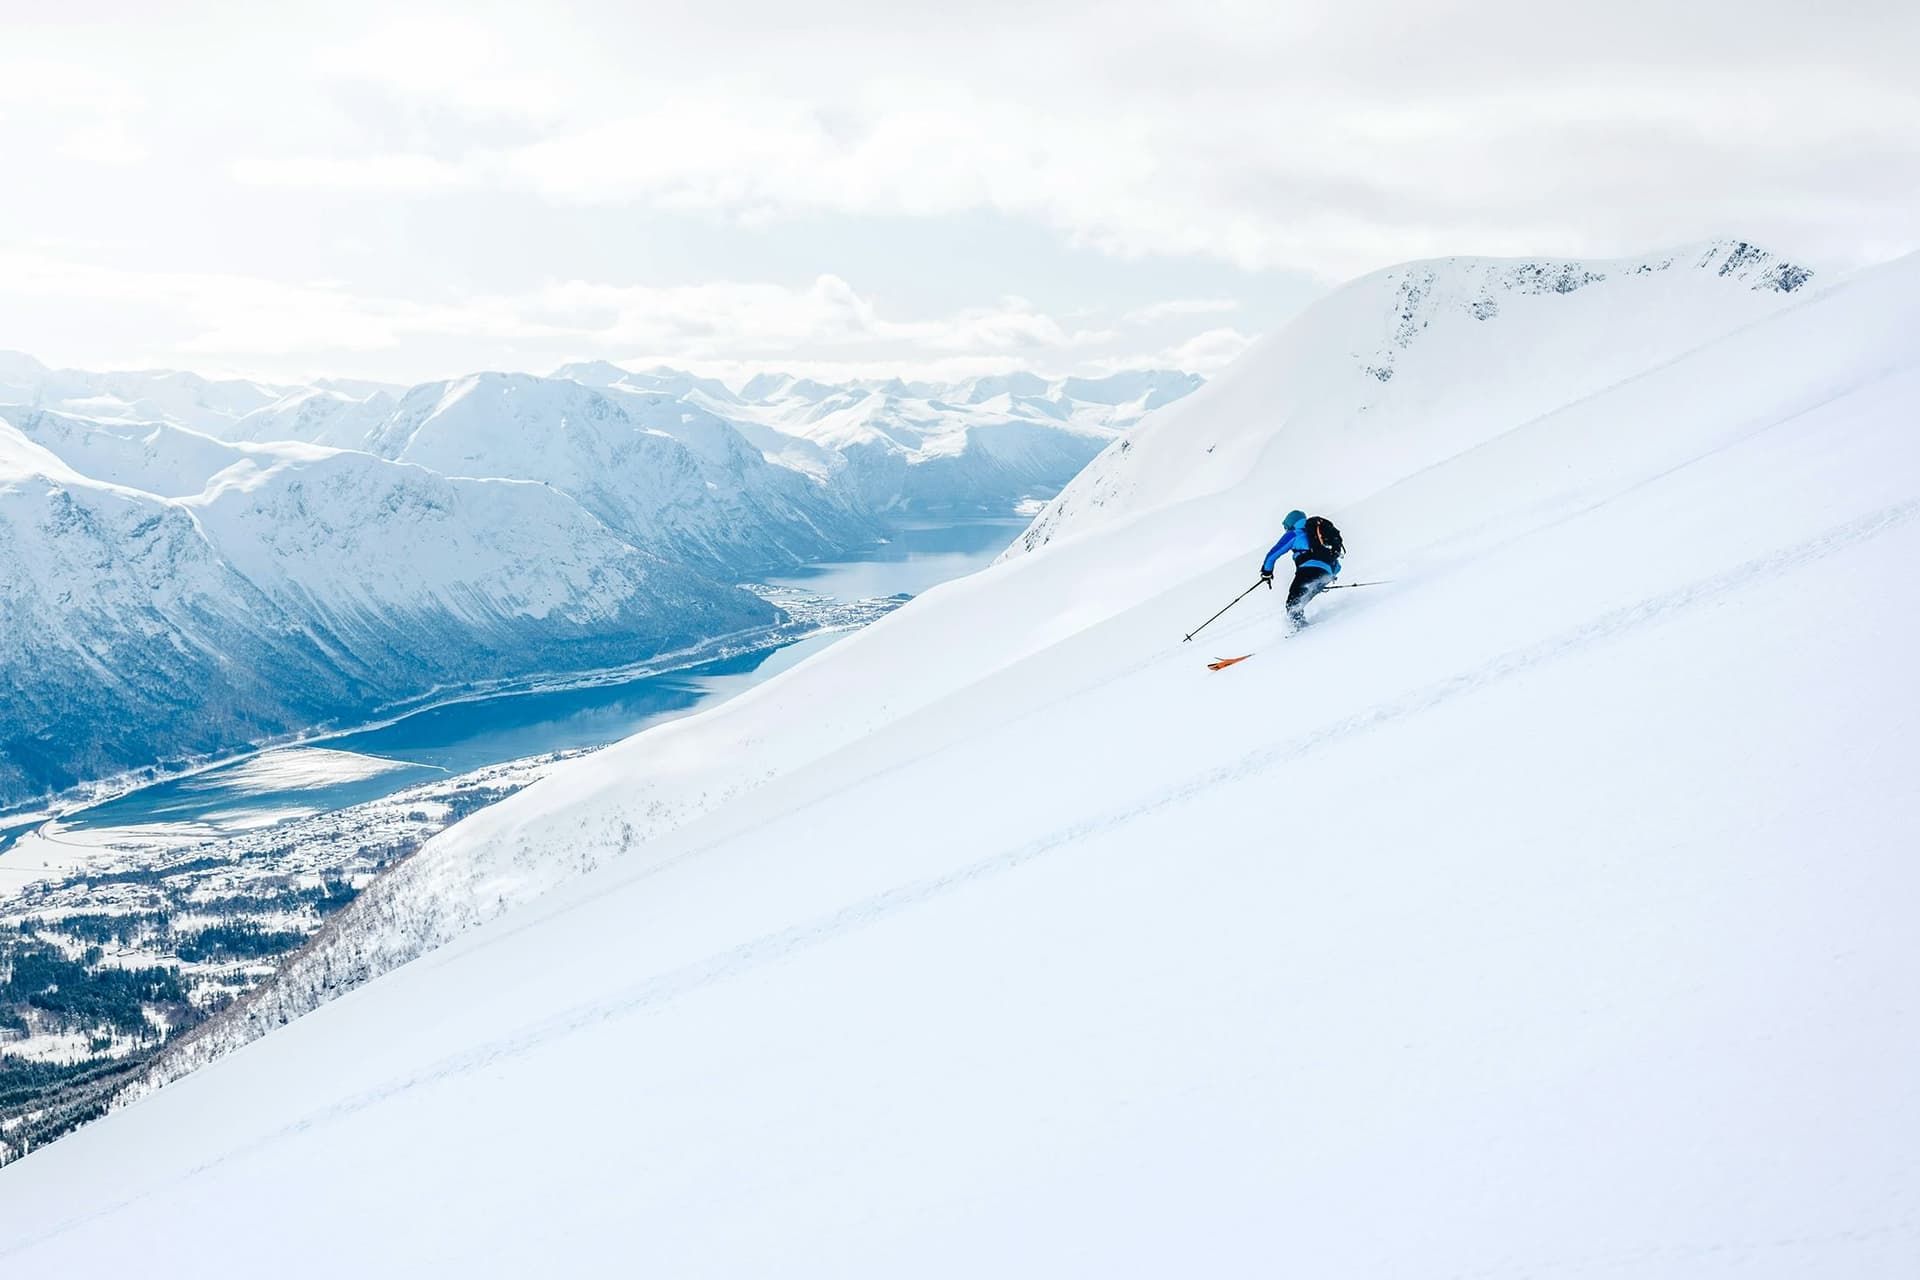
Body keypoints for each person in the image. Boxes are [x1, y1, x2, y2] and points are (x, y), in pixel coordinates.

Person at [1260, 509, 1344, 627]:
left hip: (1308, 572)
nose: (1286, 529)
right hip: (1326, 573)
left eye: (1286, 526)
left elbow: (1273, 554)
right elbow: (1336, 565)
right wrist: (1325, 577)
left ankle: (1301, 634)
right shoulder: (1318, 536)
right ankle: (1302, 629)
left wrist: (1266, 572)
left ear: (1291, 523)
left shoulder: (1294, 533)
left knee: (1293, 605)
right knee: (1299, 602)